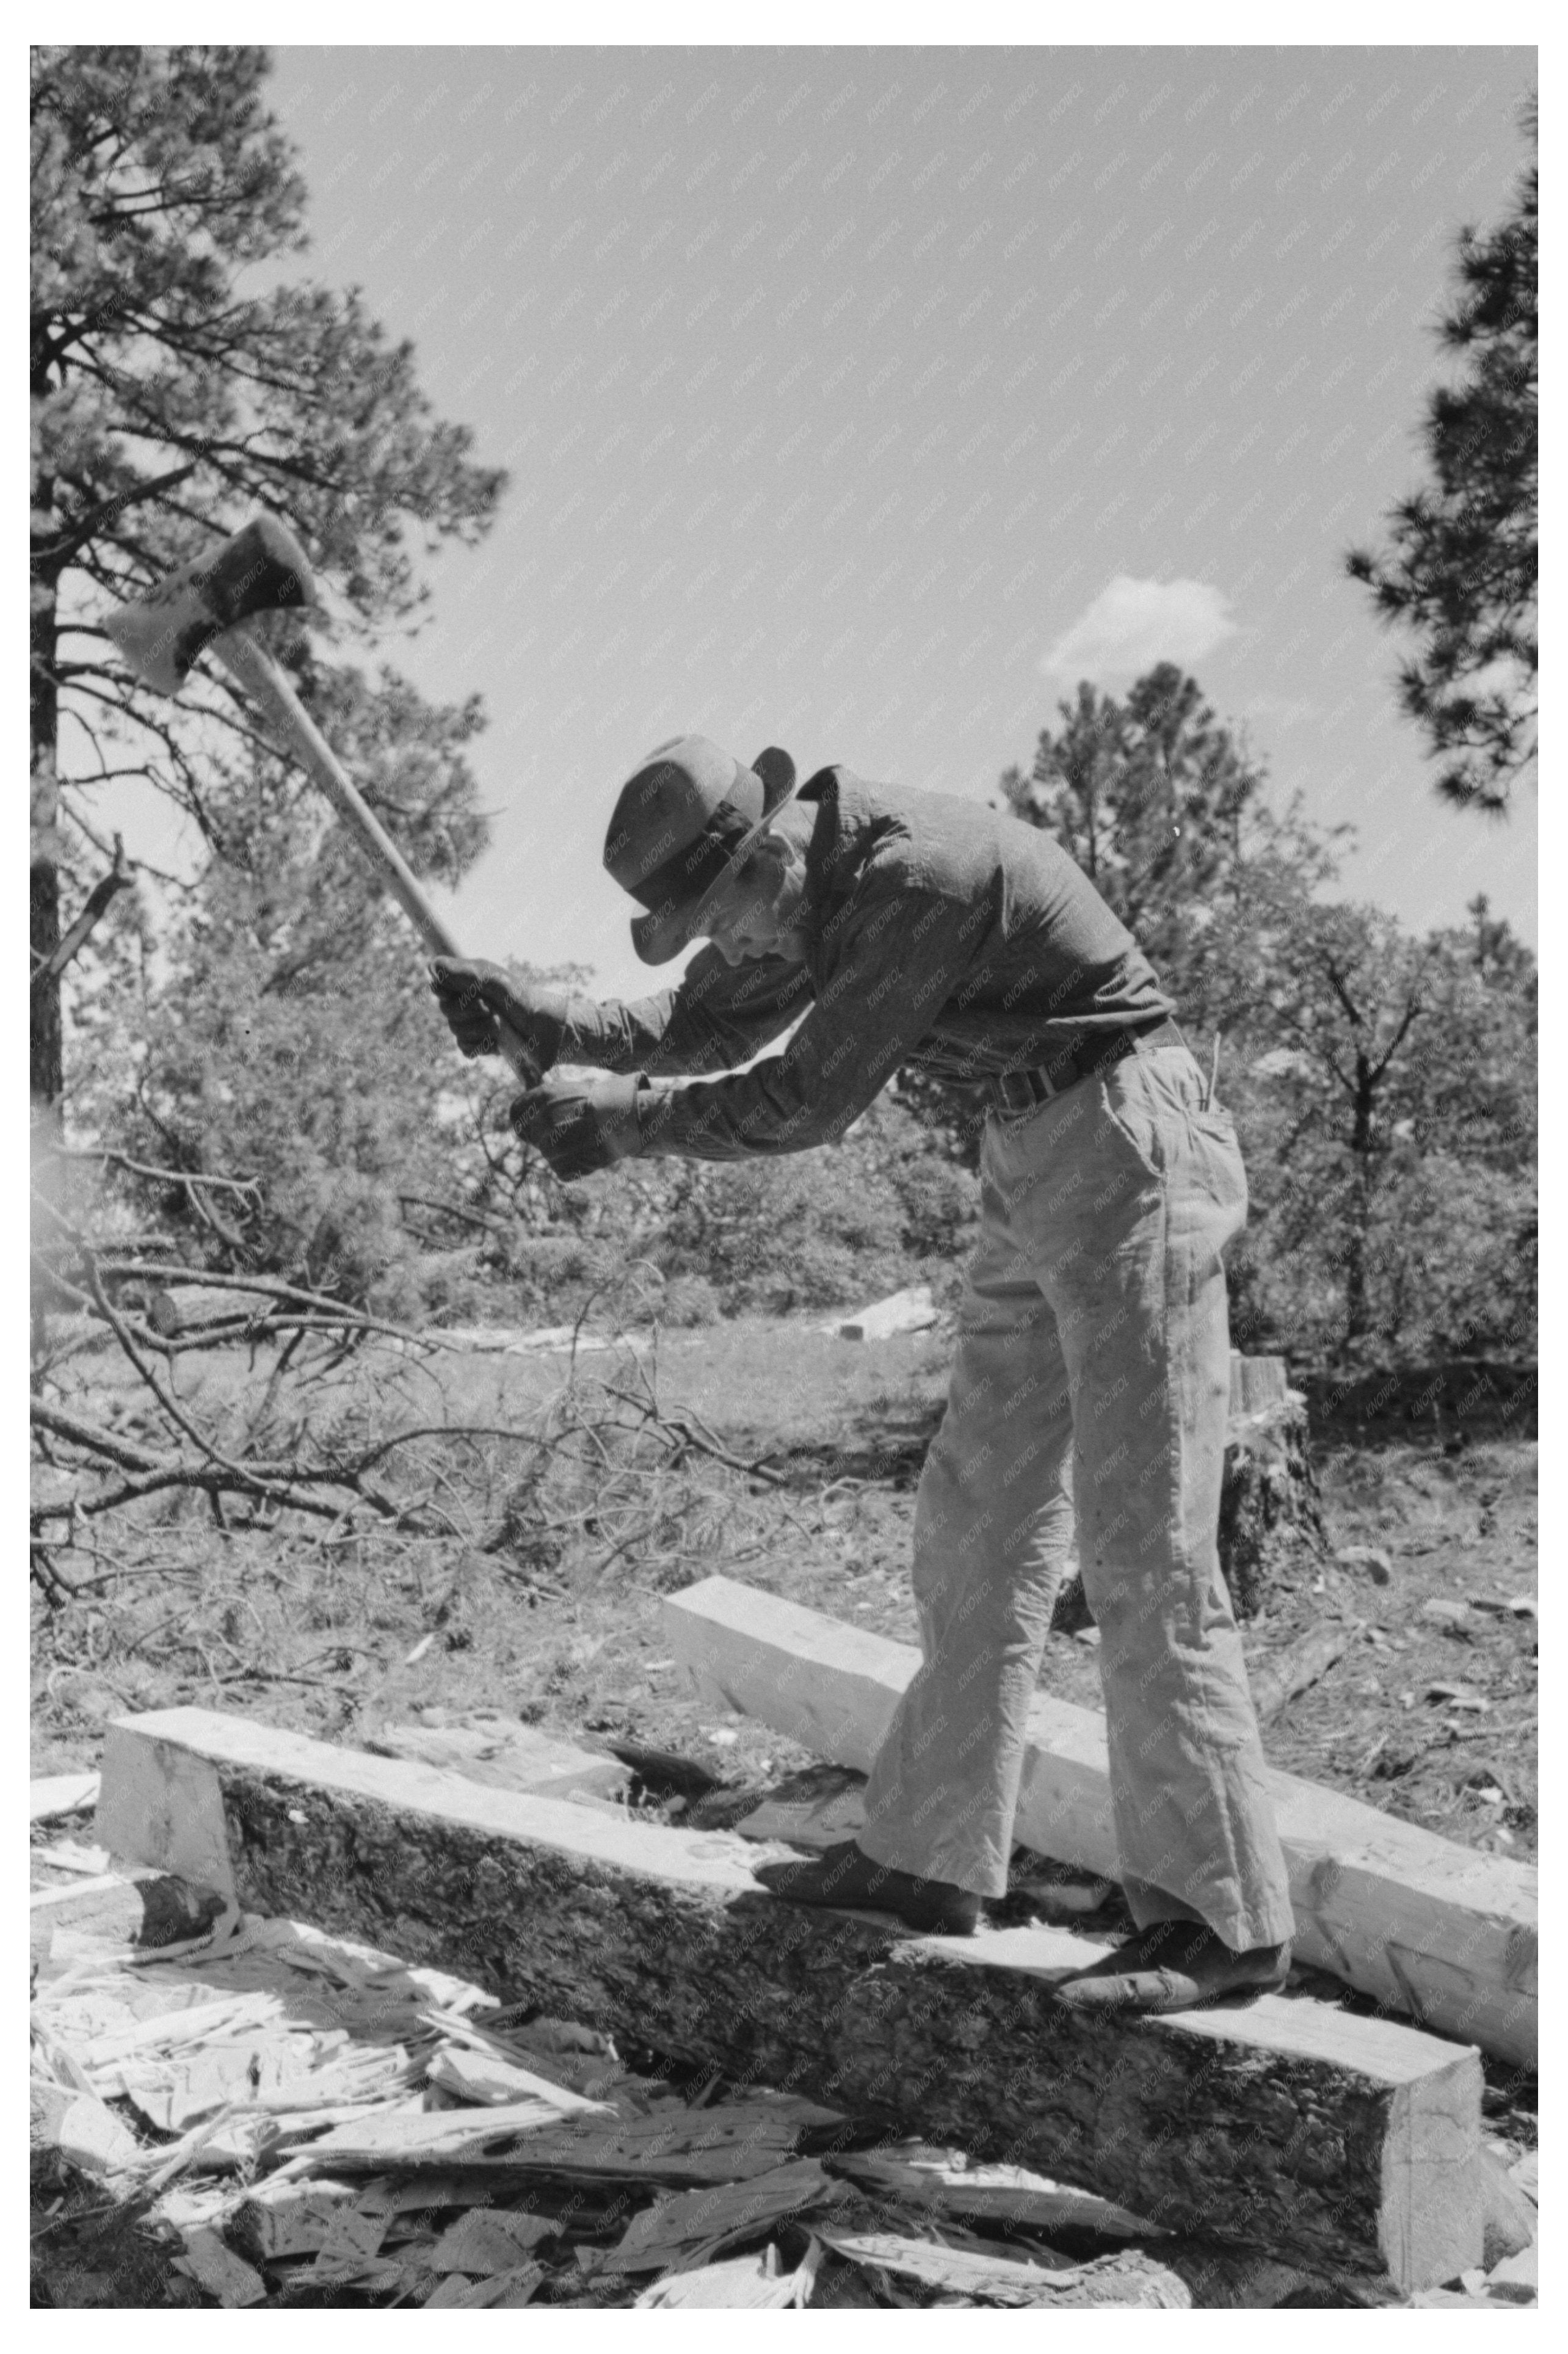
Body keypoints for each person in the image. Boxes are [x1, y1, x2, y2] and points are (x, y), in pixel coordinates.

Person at [431, 734, 1296, 2015]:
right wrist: (538, 1014)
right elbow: (700, 1020)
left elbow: (807, 1097)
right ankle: (928, 1858)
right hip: (1031, 1148)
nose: (734, 943)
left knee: (1144, 1543)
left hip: (1129, 1145)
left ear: (767, 849)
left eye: (724, 915)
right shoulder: (801, 889)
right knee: (976, 1521)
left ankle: (1220, 1919)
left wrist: (624, 1124)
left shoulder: (915, 879)